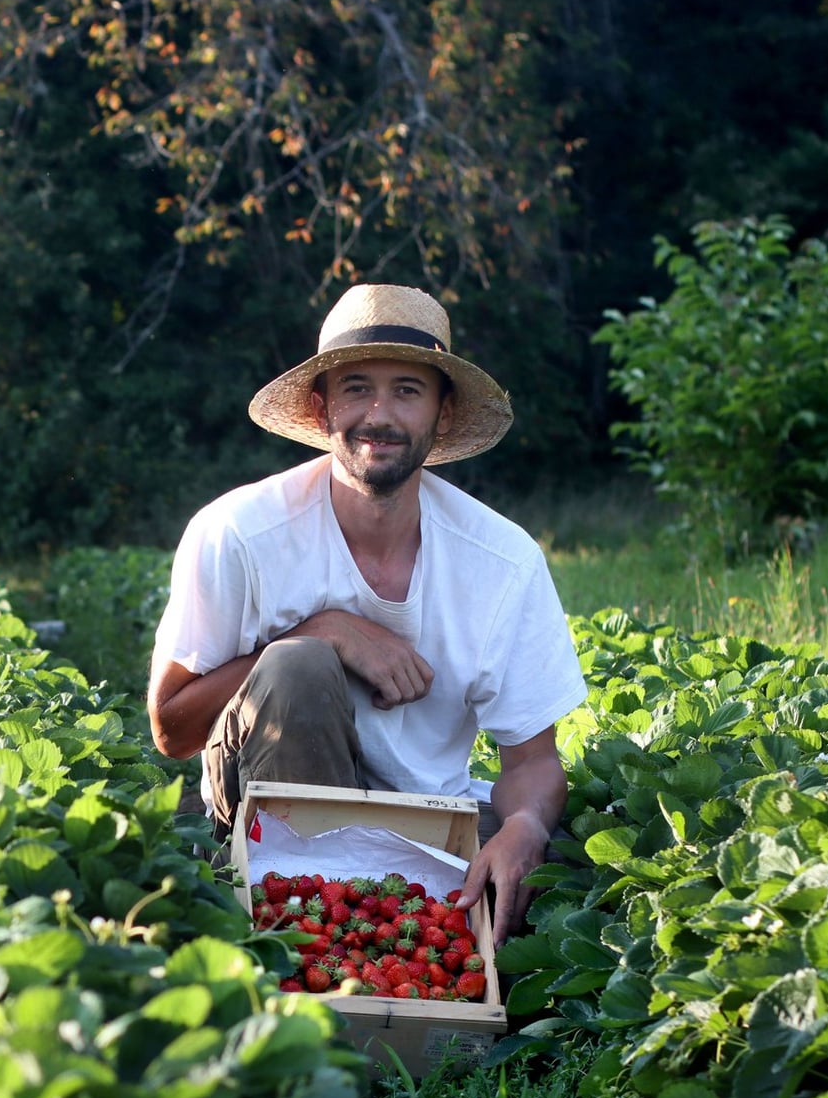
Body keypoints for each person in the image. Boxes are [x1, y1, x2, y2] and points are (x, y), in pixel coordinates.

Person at [146, 284, 584, 943]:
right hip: (273, 809)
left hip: (424, 816)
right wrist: (318, 630)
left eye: (407, 389)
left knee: (570, 861)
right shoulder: (239, 533)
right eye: (356, 388)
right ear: (322, 408)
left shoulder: (502, 559)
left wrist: (524, 829)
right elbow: (172, 730)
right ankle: (293, 920)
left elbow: (532, 762)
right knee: (299, 668)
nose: (379, 414)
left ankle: (390, 953)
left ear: (442, 412)